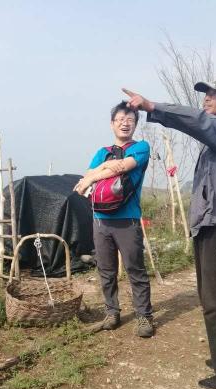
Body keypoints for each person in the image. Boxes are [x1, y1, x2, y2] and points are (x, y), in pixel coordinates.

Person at [121, 77, 216, 389]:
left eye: (215, 94)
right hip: (213, 222)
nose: (207, 98)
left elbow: (199, 122)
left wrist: (153, 107)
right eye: (206, 93)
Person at [74, 101, 154, 338]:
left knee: (135, 269)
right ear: (112, 124)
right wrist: (106, 165)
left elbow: (123, 167)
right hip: (100, 220)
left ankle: (144, 316)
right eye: (120, 119)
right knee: (106, 270)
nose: (125, 123)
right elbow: (89, 173)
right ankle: (112, 313)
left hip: (128, 219)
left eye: (130, 119)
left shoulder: (141, 147)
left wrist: (94, 177)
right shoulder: (103, 152)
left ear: (135, 124)